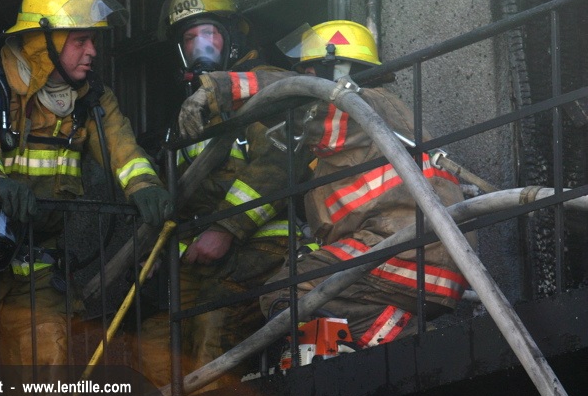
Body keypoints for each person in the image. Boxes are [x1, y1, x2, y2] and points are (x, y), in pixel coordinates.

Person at [0, 0, 172, 366]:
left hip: (34, 259)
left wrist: (145, 185)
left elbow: (123, 149)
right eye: (80, 41)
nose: (92, 52)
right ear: (44, 42)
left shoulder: (92, 100)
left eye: (93, 41)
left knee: (48, 359)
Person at [179, 20, 472, 348]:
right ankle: (404, 339)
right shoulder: (371, 126)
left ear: (340, 70)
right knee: (307, 280)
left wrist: (216, 89)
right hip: (428, 262)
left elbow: (292, 92)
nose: (306, 77)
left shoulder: (357, 109)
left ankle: (408, 342)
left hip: (404, 254)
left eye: (311, 70)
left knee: (285, 291)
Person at [135, 0, 307, 388]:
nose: (200, 46)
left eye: (209, 33)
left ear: (232, 37)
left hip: (264, 245)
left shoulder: (266, 90)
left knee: (213, 329)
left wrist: (225, 228)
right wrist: (153, 247)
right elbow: (178, 193)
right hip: (199, 256)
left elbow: (281, 163)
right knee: (154, 342)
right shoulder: (186, 115)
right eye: (189, 38)